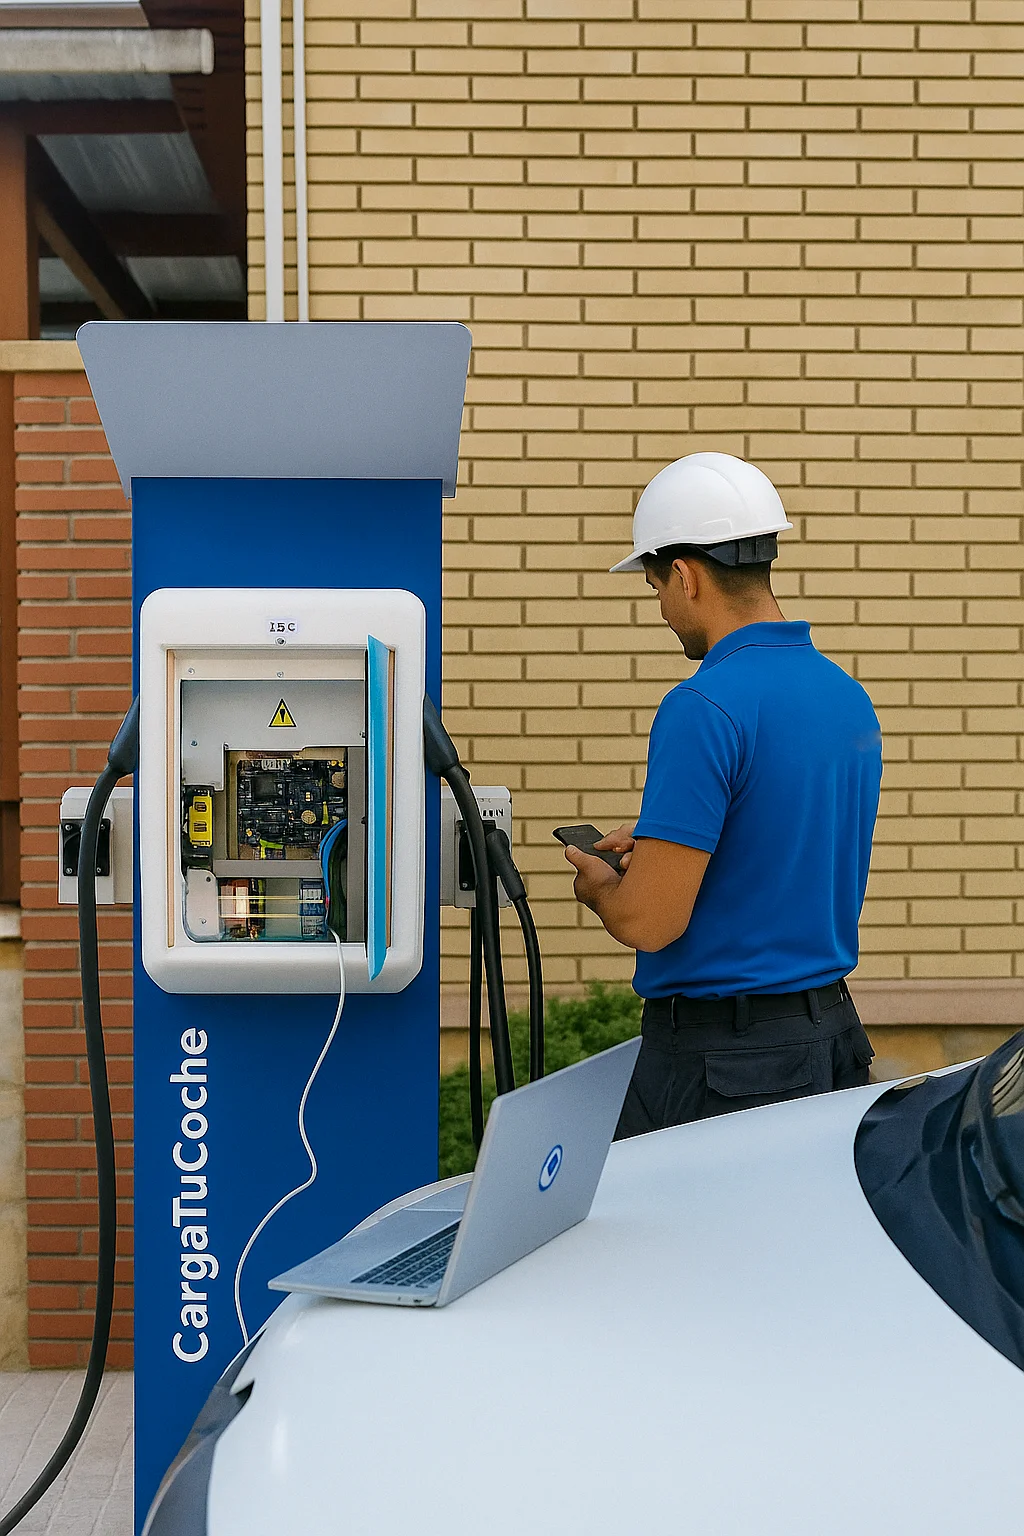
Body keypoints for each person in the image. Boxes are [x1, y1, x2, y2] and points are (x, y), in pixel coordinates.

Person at [563, 452, 882, 1137]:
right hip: (831, 1042)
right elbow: (777, 844)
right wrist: (664, 842)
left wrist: (604, 888)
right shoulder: (846, 697)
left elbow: (651, 922)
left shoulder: (703, 706)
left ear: (684, 575)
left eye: (654, 586)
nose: (661, 610)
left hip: (725, 1065)